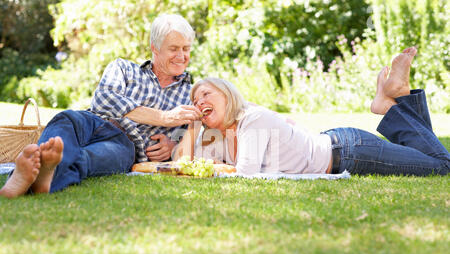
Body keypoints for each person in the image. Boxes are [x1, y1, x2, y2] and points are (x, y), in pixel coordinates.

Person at [0, 13, 203, 198]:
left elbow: (193, 139)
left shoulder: (190, 94)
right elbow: (104, 99)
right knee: (66, 119)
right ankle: (35, 177)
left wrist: (172, 146)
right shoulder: (124, 68)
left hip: (126, 144)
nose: (181, 56)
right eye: (174, 49)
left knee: (86, 159)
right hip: (93, 121)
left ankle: (42, 179)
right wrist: (163, 118)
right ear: (154, 48)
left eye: (186, 49)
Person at [173, 47, 450, 176]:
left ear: (228, 95)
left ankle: (390, 105)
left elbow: (245, 173)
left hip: (350, 152)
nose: (199, 103)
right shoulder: (219, 135)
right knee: (431, 158)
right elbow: (180, 165)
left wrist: (211, 168)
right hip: (338, 145)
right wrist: (192, 126)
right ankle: (397, 98)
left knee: (442, 166)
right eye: (195, 101)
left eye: (206, 95)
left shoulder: (251, 120)